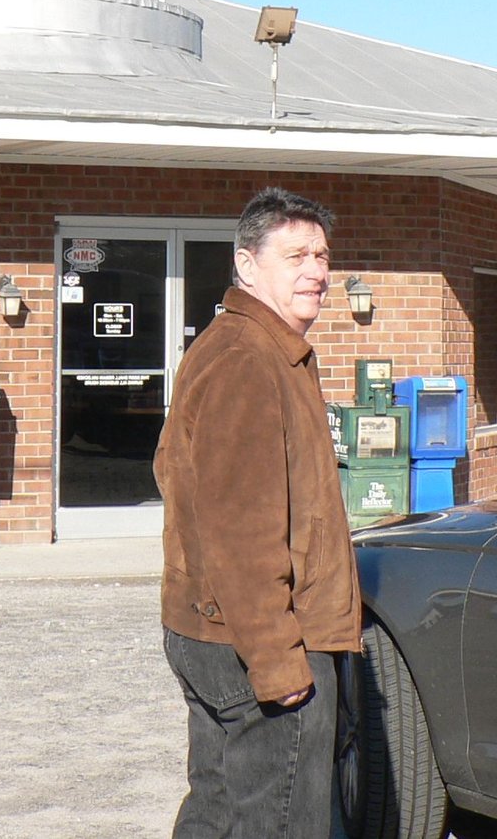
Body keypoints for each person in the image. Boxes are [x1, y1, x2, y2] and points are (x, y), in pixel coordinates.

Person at [154, 187, 360, 838]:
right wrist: (276, 660)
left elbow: (176, 473)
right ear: (247, 264)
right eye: (295, 255)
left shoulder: (256, 349)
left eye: (322, 256)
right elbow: (241, 530)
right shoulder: (247, 359)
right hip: (262, 643)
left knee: (218, 814)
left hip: (220, 631)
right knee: (277, 823)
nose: (316, 271)